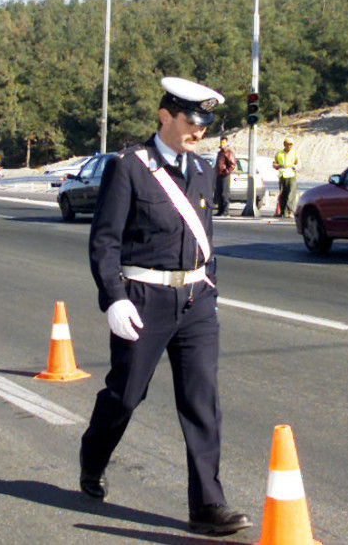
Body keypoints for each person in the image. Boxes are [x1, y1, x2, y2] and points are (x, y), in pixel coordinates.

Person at [80, 76, 253, 537]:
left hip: (196, 301)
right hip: (143, 299)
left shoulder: (202, 170)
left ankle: (207, 504)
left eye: (205, 123)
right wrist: (114, 298)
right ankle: (93, 457)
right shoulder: (129, 167)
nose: (200, 130)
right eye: (192, 121)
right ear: (164, 117)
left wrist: (209, 289)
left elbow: (204, 239)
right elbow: (104, 241)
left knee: (201, 400)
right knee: (126, 395)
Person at [272, 138, 299, 217]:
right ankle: (283, 211)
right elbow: (274, 164)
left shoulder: (294, 153)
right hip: (282, 176)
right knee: (283, 194)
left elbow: (299, 164)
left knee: (291, 194)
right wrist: (279, 166)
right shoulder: (279, 153)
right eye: (288, 144)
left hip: (291, 175)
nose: (290, 146)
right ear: (284, 145)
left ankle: (290, 211)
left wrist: (294, 167)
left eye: (291, 145)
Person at [213, 136, 235, 216]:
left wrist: (226, 171)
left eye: (223, 142)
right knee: (218, 193)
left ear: (226, 142)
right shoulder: (220, 152)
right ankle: (220, 210)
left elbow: (232, 164)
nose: (222, 143)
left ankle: (225, 211)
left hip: (225, 175)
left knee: (225, 193)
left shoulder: (228, 151)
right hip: (219, 174)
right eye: (221, 142)